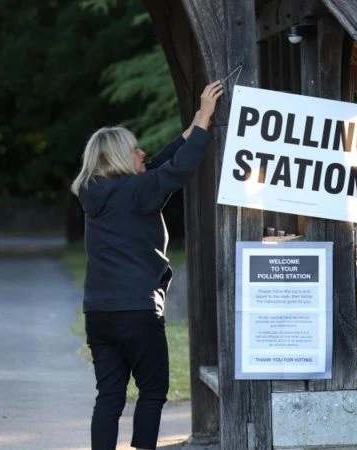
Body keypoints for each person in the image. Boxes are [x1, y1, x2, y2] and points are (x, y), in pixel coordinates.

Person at [70, 80, 223, 450]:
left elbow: (162, 163)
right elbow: (177, 170)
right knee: (152, 392)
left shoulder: (96, 192)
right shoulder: (138, 191)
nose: (141, 152)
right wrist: (204, 117)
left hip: (99, 313)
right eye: (132, 149)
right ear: (118, 158)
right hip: (138, 311)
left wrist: (194, 126)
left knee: (109, 395)